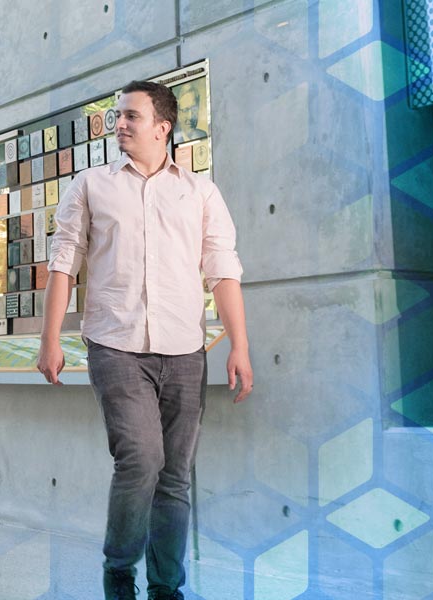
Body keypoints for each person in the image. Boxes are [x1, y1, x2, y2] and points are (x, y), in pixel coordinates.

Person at [36, 80, 253, 600]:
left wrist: (239, 347)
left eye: (131, 116)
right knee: (141, 458)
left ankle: (165, 586)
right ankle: (118, 568)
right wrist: (50, 338)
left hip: (185, 350)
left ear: (163, 126)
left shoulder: (200, 191)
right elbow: (64, 263)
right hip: (115, 345)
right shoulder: (90, 185)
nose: (120, 124)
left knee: (175, 474)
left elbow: (222, 269)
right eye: (117, 116)